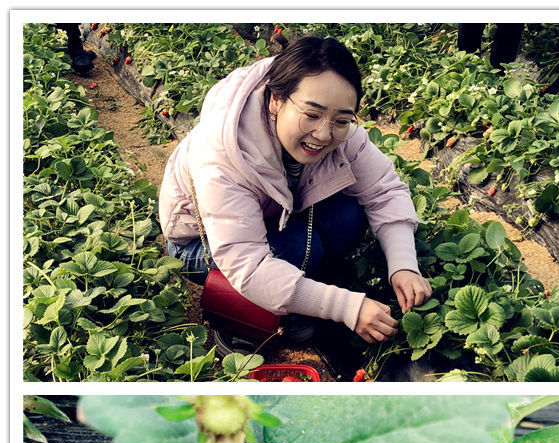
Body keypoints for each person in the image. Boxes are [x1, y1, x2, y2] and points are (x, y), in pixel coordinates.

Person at [159, 35, 431, 352]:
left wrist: (403, 265)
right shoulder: (222, 152)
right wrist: (346, 307)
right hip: (198, 244)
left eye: (341, 119)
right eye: (312, 114)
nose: (324, 133)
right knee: (301, 245)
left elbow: (384, 191)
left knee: (347, 219)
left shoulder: (342, 135)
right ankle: (239, 324)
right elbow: (247, 264)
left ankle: (304, 288)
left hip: (272, 218)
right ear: (276, 99)